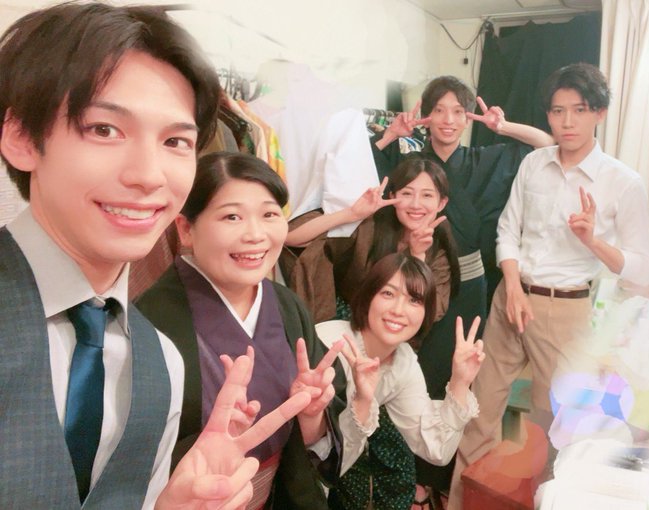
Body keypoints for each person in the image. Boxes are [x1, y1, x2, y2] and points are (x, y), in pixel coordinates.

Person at [0, 3, 310, 509]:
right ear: (20, 137)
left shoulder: (159, 361)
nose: (149, 175)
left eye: (175, 141)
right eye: (104, 129)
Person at [450, 62, 649, 509]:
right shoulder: (533, 164)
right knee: (477, 410)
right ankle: (462, 503)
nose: (567, 122)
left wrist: (593, 240)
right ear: (548, 115)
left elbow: (642, 266)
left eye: (579, 110)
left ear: (599, 112)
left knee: (557, 430)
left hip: (567, 313)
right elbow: (508, 230)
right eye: (558, 111)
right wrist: (512, 286)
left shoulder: (623, 182)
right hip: (511, 297)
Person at [371, 76, 554, 499]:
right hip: (418, 279)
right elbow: (372, 173)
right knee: (412, 374)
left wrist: (503, 127)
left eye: (458, 111)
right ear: (426, 116)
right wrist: (392, 134)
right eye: (439, 110)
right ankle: (409, 477)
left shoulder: (486, 158)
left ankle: (437, 482)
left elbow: (546, 145)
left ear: (469, 116)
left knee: (456, 378)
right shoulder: (412, 162)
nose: (448, 120)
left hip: (469, 288)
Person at [136, 151, 347, 509]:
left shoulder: (287, 305)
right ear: (186, 229)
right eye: (232, 216)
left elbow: (311, 441)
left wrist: (311, 415)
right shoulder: (149, 321)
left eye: (269, 214)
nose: (255, 235)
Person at [315, 253, 485, 510]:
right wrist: (362, 402)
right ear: (367, 297)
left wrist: (460, 383)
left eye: (414, 300)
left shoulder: (402, 361)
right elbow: (314, 453)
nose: (398, 310)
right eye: (388, 293)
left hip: (319, 482)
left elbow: (436, 449)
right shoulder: (329, 345)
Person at [285, 156, 460, 324]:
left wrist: (417, 256)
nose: (415, 204)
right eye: (407, 193)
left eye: (427, 196)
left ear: (441, 203)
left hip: (393, 333)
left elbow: (430, 311)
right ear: (392, 196)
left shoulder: (440, 251)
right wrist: (351, 214)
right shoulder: (370, 227)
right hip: (342, 322)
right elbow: (290, 237)